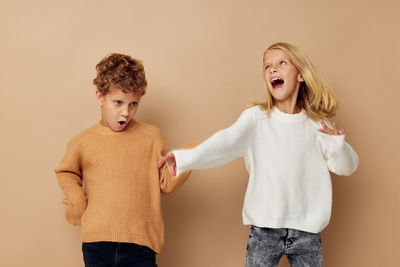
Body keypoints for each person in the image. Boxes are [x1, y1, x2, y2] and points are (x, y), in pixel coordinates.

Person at [157, 42, 359, 267]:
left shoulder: (317, 125)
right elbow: (224, 143)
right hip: (264, 232)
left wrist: (336, 145)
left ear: (301, 75)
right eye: (267, 67)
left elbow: (347, 166)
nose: (273, 70)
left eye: (281, 63)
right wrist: (185, 158)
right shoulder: (256, 119)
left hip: (308, 234)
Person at [55, 53, 191, 267]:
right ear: (100, 97)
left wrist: (188, 158)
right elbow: (66, 172)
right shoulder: (83, 141)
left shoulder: (151, 137)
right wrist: (75, 197)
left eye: (133, 104)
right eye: (118, 102)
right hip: (96, 243)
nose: (126, 112)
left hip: (140, 244)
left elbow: (166, 184)